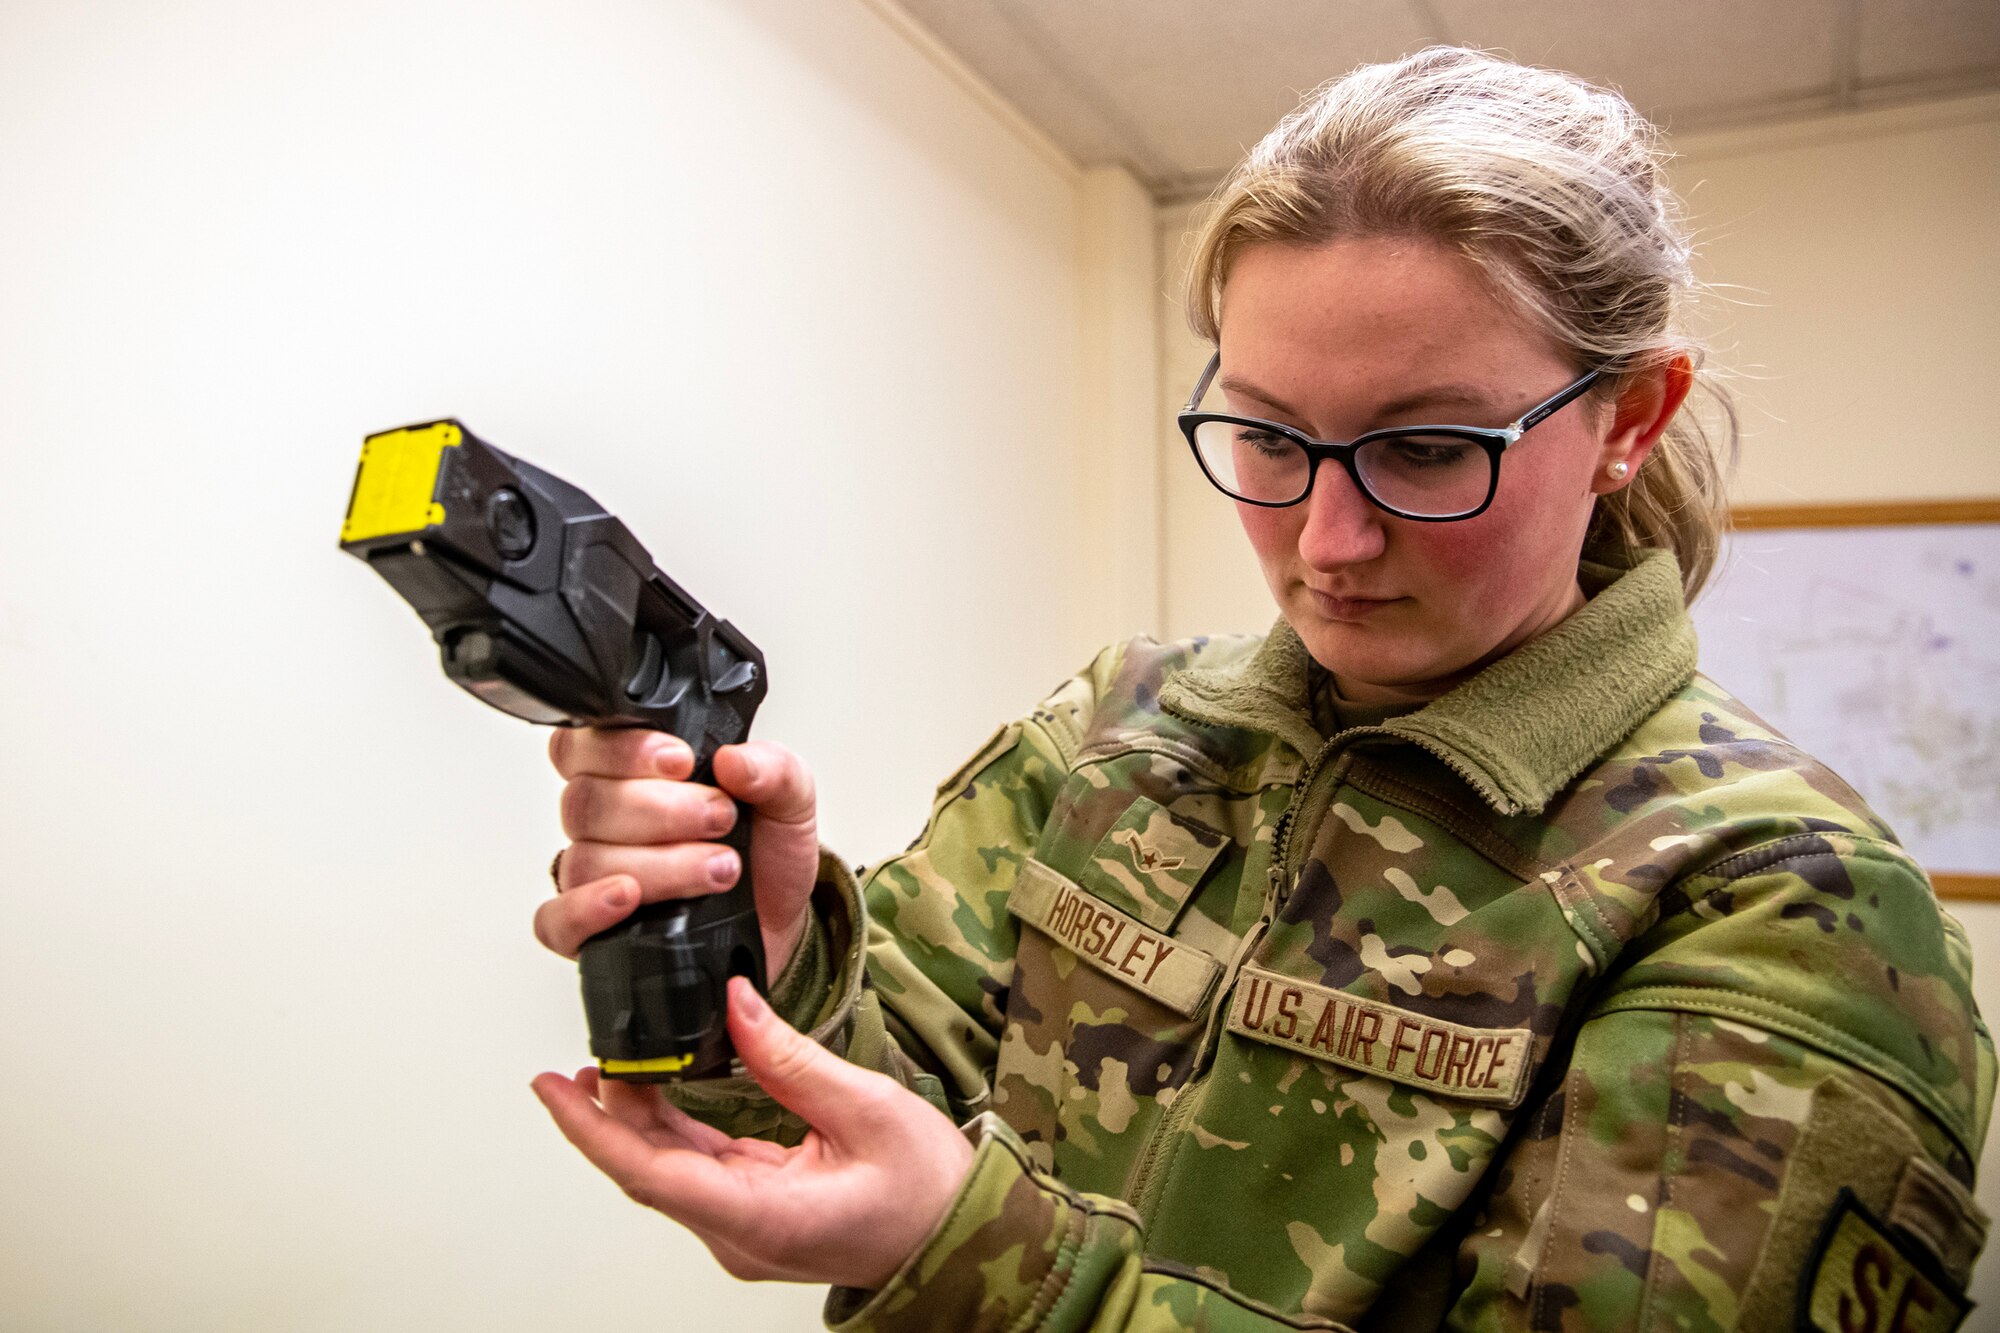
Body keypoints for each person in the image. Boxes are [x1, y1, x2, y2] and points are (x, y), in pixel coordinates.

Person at [528, 47, 1993, 1332]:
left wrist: (978, 1261)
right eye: (1267, 434)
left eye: (1428, 450)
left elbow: (944, 1222)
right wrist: (767, 954)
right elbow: (861, 1094)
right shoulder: (1125, 728)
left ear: (1626, 418)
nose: (1326, 542)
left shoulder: (1779, 900)